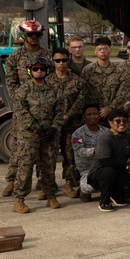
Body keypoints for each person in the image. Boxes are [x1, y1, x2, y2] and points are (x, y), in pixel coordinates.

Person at [10, 56, 65, 213]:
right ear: (30, 71)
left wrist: (54, 128)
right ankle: (19, 199)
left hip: (49, 135)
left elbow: (60, 111)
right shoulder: (23, 90)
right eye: (35, 69)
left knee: (48, 166)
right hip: (29, 136)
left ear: (47, 71)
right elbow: (21, 112)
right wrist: (37, 128)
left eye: (42, 69)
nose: (39, 72)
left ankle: (50, 195)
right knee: (25, 167)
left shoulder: (55, 90)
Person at [90, 108, 130, 212]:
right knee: (109, 172)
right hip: (100, 174)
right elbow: (104, 161)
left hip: (120, 172)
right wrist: (127, 166)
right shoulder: (105, 138)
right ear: (110, 122)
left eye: (125, 121)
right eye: (117, 121)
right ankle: (104, 201)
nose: (122, 123)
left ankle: (118, 196)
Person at [49, 47, 85, 198]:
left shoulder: (76, 81)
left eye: (64, 60)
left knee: (69, 156)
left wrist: (68, 115)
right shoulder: (46, 81)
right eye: (58, 60)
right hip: (52, 126)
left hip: (71, 125)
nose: (61, 63)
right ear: (53, 62)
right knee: (48, 156)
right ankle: (48, 185)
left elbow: (81, 100)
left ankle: (69, 183)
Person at [80, 37, 123, 119]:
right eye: (99, 49)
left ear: (110, 50)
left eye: (105, 49)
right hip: (93, 114)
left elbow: (122, 93)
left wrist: (109, 109)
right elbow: (83, 92)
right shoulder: (88, 70)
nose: (102, 51)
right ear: (95, 51)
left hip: (113, 114)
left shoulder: (119, 70)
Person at [5, 20, 45, 96]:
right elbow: (11, 82)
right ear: (23, 35)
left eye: (37, 34)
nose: (34, 37)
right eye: (30, 34)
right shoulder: (14, 57)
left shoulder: (49, 55)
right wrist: (19, 100)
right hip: (24, 99)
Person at [72, 103, 103, 201]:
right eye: (89, 115)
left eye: (95, 114)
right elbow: (79, 151)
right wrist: (94, 151)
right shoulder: (77, 134)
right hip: (87, 169)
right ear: (84, 117)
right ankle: (83, 189)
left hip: (104, 167)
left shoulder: (106, 132)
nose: (93, 116)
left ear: (99, 116)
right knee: (88, 188)